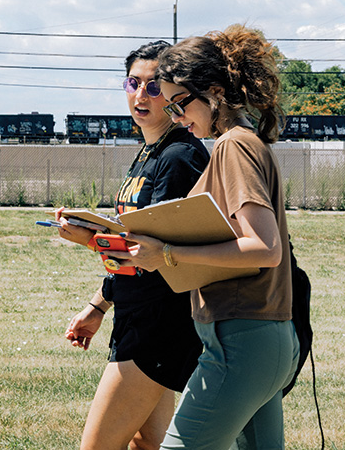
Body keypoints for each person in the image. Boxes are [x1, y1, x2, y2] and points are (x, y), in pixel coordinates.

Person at [118, 24, 299, 450]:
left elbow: (265, 248)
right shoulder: (243, 142)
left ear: (215, 92)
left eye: (180, 103)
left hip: (241, 342)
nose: (177, 117)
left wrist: (168, 253)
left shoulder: (233, 146)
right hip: (264, 338)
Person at [55, 40, 209, 450]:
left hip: (159, 324)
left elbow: (155, 253)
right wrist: (98, 305)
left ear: (174, 94)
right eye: (133, 83)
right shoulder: (147, 153)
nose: (141, 95)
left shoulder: (178, 157)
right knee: (148, 444)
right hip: (137, 314)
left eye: (154, 86)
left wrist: (91, 240)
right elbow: (130, 241)